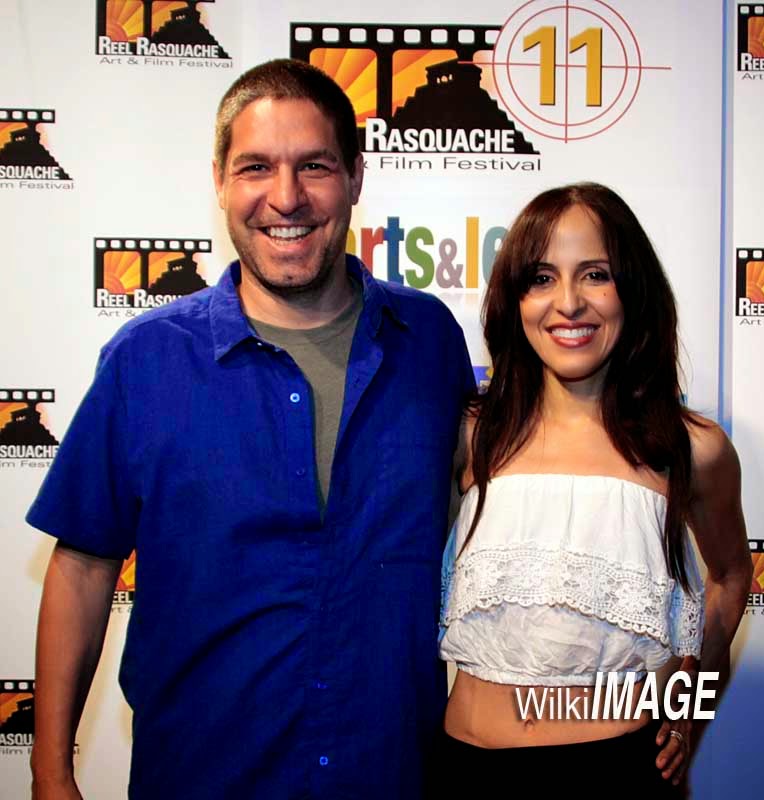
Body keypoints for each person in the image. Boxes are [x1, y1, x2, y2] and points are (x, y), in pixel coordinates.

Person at [27, 59, 473, 799]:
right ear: (220, 182)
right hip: (202, 777)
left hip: (391, 775)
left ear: (356, 178)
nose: (286, 197)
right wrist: (49, 775)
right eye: (256, 167)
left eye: (316, 166)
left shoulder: (428, 339)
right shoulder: (146, 361)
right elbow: (80, 569)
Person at [436, 183, 752, 796]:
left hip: (619, 774)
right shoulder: (472, 435)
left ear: (631, 290)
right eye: (541, 278)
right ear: (515, 299)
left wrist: (689, 707)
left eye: (596, 275)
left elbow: (732, 576)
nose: (569, 303)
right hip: (464, 771)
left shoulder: (690, 449)